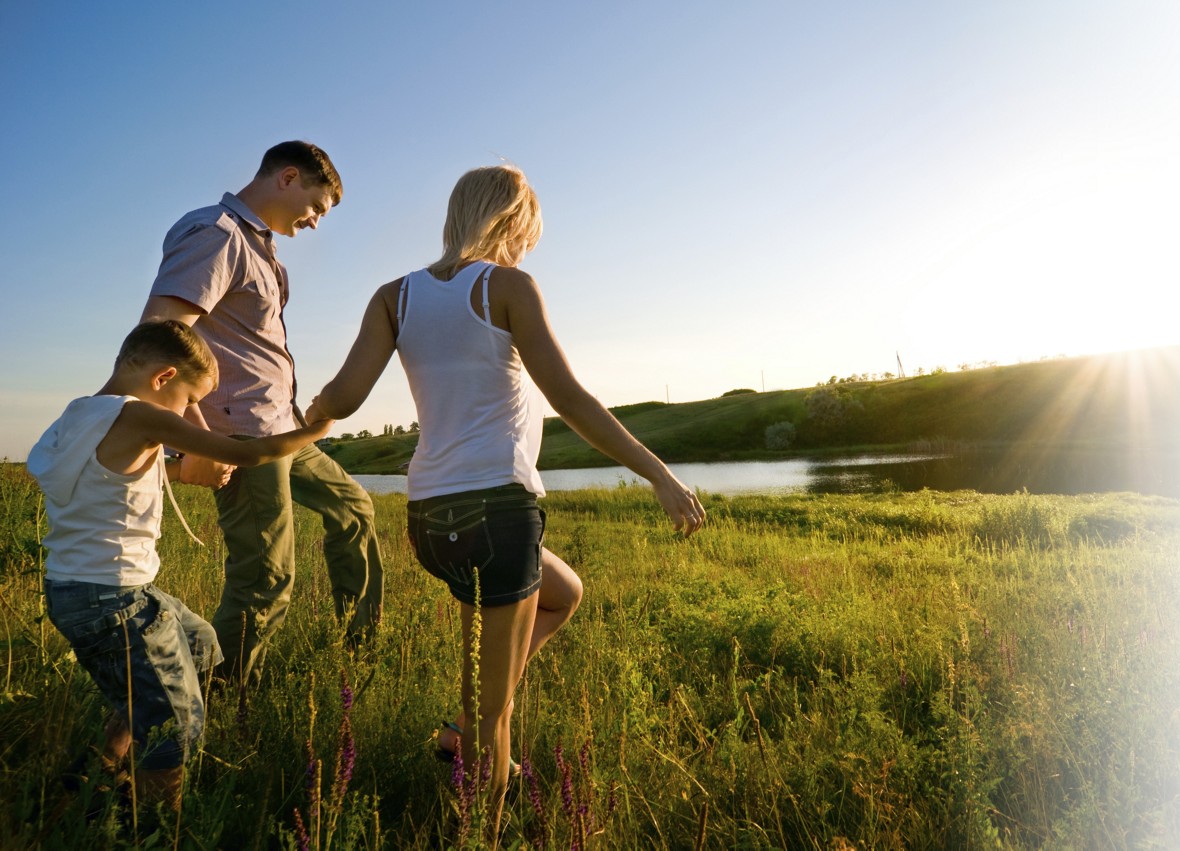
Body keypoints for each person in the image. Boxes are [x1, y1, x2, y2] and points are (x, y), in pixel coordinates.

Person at [306, 164, 706, 837]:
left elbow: (340, 400)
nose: (528, 246)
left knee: (564, 592)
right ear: (512, 221)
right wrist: (661, 475)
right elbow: (572, 400)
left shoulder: (392, 296)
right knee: (498, 718)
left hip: (429, 518)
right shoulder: (508, 286)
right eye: (529, 232)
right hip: (497, 513)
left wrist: (290, 425)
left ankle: (462, 729)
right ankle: (480, 825)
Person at [28, 320, 332, 812]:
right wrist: (318, 426)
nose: (192, 414)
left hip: (76, 591)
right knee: (176, 723)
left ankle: (101, 769)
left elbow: (102, 473)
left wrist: (173, 469)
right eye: (191, 400)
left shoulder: (78, 415)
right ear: (164, 377)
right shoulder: (143, 416)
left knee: (198, 641)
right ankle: (150, 825)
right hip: (116, 600)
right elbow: (251, 452)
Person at [140, 141, 383, 685]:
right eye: (317, 206)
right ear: (288, 177)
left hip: (281, 428)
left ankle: (359, 652)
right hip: (240, 437)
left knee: (355, 510)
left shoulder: (261, 248)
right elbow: (159, 335)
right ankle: (206, 704)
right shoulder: (217, 234)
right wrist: (197, 441)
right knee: (266, 582)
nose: (317, 222)